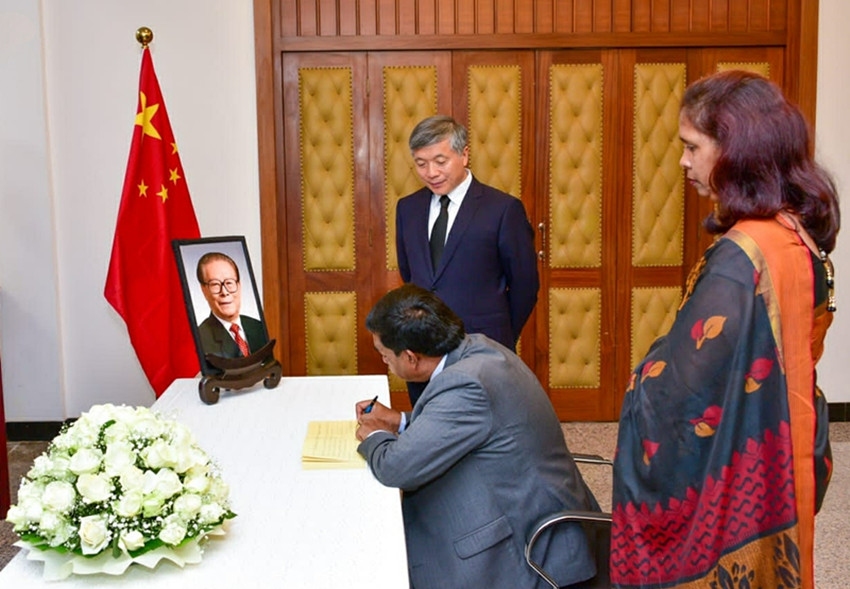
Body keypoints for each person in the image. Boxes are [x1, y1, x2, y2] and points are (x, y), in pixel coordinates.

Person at [610, 71, 839, 589]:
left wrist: (643, 379)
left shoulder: (743, 257)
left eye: (692, 147)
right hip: (790, 444)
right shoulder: (791, 229)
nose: (683, 161)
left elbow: (681, 394)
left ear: (738, 150)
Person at [354, 284, 600, 589]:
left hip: (529, 545)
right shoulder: (479, 348)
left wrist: (375, 434)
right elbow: (465, 422)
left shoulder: (465, 384)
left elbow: (396, 468)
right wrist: (400, 421)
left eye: (384, 355)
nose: (385, 362)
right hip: (530, 503)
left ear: (410, 357)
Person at [395, 115, 539, 404]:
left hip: (483, 346)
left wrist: (501, 335)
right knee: (429, 422)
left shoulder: (502, 209)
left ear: (464, 155)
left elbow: (525, 286)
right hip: (423, 347)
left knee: (483, 423)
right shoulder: (408, 208)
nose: (431, 172)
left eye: (440, 161)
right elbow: (410, 273)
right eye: (421, 163)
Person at [196, 252, 267, 362]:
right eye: (215, 284)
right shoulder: (200, 339)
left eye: (229, 283)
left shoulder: (259, 327)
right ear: (204, 290)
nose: (224, 292)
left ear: (239, 285)